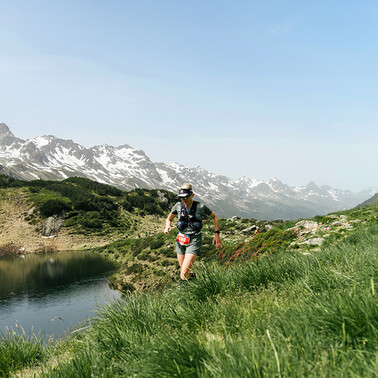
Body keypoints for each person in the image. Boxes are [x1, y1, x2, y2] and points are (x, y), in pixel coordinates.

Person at [164, 183, 223, 280]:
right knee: (186, 274)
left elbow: (214, 217)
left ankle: (187, 289)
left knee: (183, 272)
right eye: (181, 198)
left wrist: (217, 234)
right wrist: (167, 227)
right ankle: (196, 286)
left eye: (186, 197)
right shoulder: (178, 206)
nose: (183, 200)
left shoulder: (200, 206)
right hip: (180, 240)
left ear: (192, 195)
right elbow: (169, 219)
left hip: (194, 239)